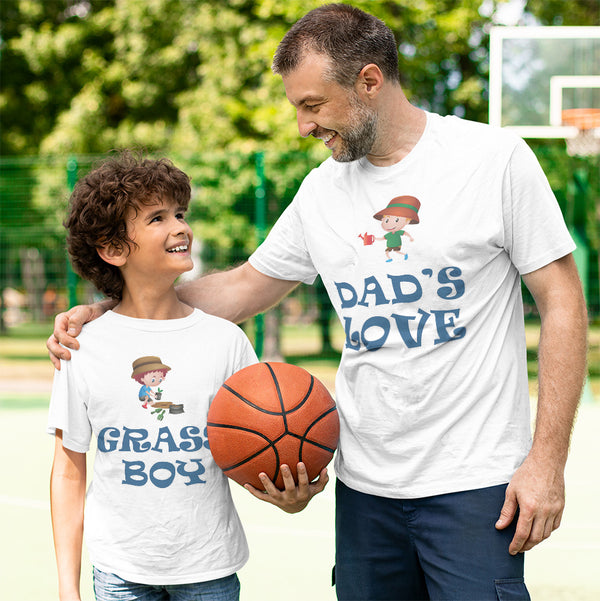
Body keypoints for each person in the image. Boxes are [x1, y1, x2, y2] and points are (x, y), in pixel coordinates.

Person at [48, 5, 588, 600]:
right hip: (365, 488)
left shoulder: (493, 161)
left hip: (474, 480)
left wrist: (546, 462)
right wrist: (114, 311)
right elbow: (240, 288)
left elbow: (562, 303)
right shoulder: (321, 192)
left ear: (370, 81)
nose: (303, 126)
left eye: (313, 105)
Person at [47, 152, 326, 601]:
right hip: (119, 570)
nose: (181, 227)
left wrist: (288, 493)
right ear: (113, 249)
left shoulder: (225, 340)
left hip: (208, 567)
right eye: (157, 218)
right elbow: (68, 472)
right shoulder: (84, 346)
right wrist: (66, 587)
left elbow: (257, 442)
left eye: (180, 213)